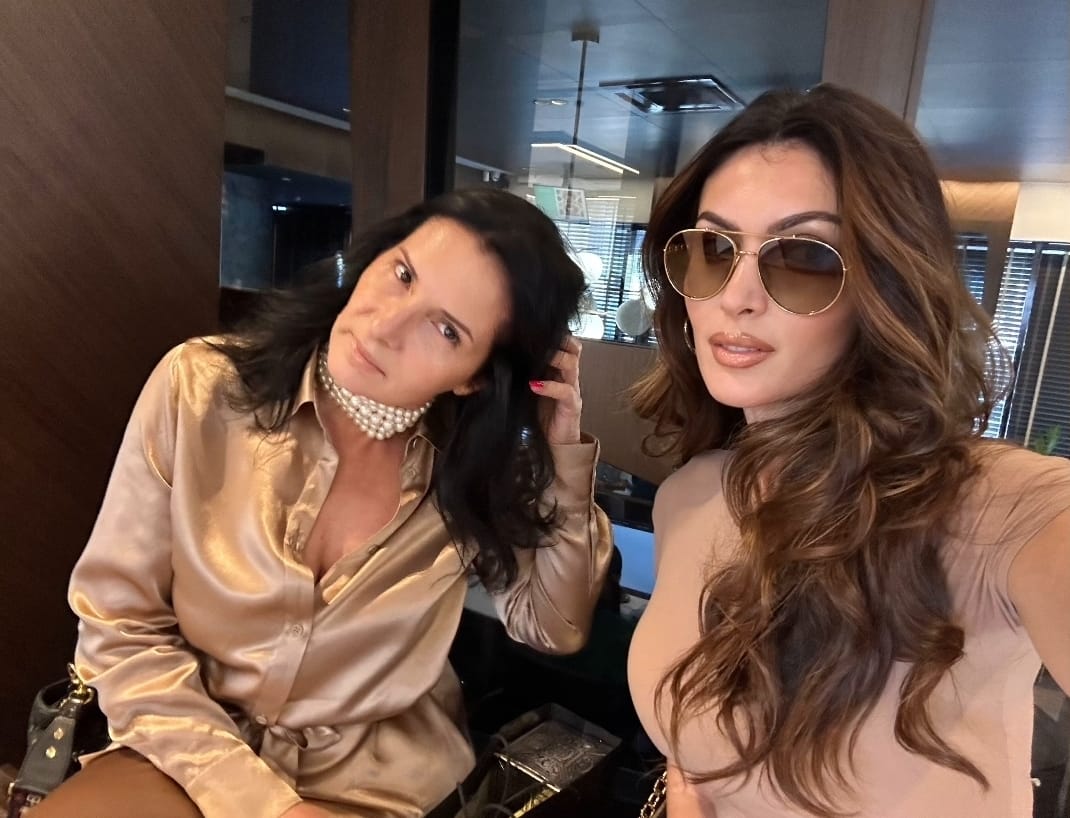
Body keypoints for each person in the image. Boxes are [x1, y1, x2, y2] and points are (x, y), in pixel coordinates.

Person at [37, 188, 613, 818]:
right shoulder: (199, 388)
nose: (385, 326)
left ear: (474, 376)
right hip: (184, 750)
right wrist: (264, 803)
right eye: (403, 274)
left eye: (446, 329)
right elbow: (119, 627)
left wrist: (561, 454)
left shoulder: (473, 468)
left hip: (378, 786)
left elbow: (552, 627)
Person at [626, 84, 1070, 818]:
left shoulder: (1001, 509)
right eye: (712, 249)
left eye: (804, 255)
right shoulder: (689, 495)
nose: (736, 296)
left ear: (884, 288)